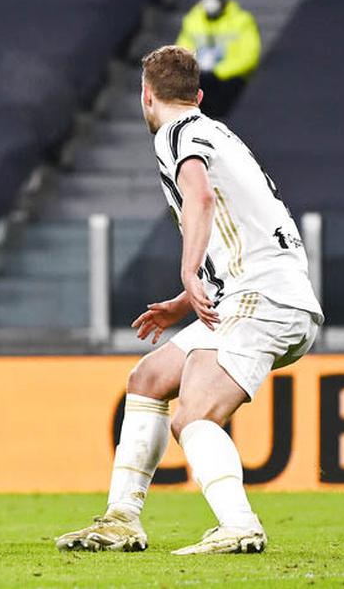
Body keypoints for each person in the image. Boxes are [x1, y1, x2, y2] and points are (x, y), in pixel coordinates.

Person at [56, 46, 322, 555]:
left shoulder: (176, 133)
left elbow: (198, 195)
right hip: (265, 294)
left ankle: (240, 525)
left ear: (146, 96)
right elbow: (239, 226)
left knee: (193, 418)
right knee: (148, 379)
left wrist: (186, 266)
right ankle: (121, 519)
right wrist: (186, 298)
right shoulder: (219, 132)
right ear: (198, 95)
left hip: (262, 299)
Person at [176, 0, 261, 119]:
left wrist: (219, 73)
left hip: (229, 79)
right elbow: (181, 52)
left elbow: (249, 55)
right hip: (200, 78)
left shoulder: (241, 21)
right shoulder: (193, 21)